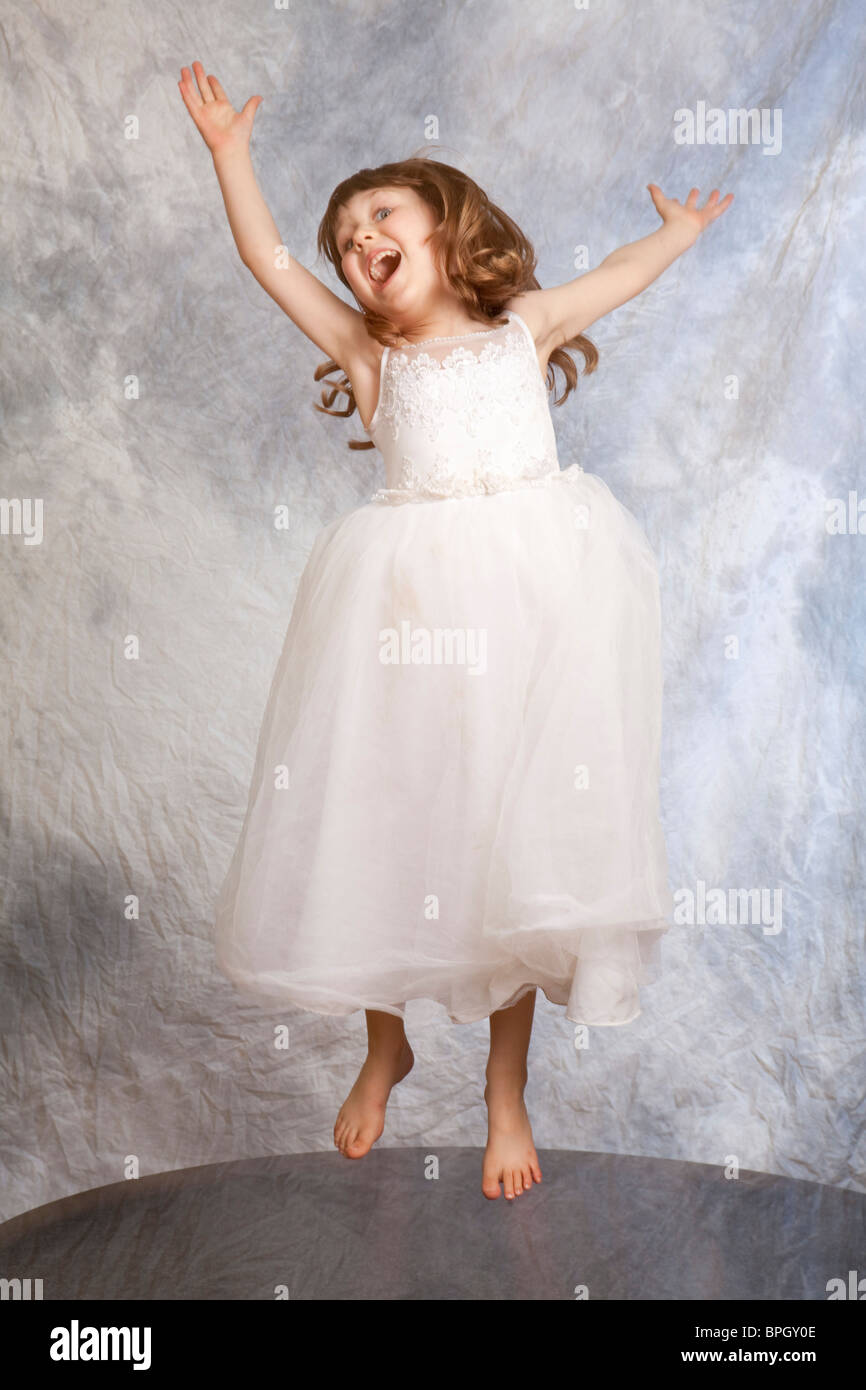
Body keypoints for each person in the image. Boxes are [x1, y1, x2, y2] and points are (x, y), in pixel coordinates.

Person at [178, 61, 733, 1202]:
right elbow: (264, 260)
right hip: (403, 620)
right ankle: (383, 1044)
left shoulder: (520, 328)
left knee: (508, 851)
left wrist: (673, 237)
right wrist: (231, 155)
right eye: (343, 233)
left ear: (447, 229)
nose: (352, 239)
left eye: (379, 216)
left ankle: (504, 1092)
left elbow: (612, 278)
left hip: (527, 615)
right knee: (385, 821)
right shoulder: (367, 356)